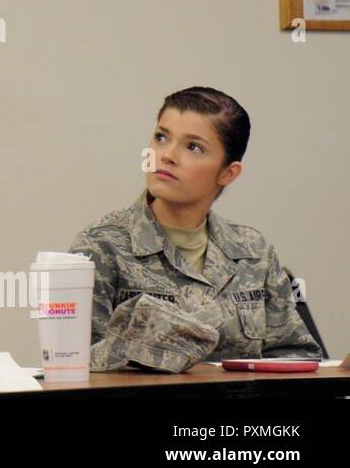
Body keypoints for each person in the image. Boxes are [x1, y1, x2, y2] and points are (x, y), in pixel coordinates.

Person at [69, 87, 320, 371]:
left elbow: (297, 355)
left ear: (228, 173)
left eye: (194, 147)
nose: (167, 155)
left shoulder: (254, 252)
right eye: (161, 137)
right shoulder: (101, 247)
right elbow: (76, 367)